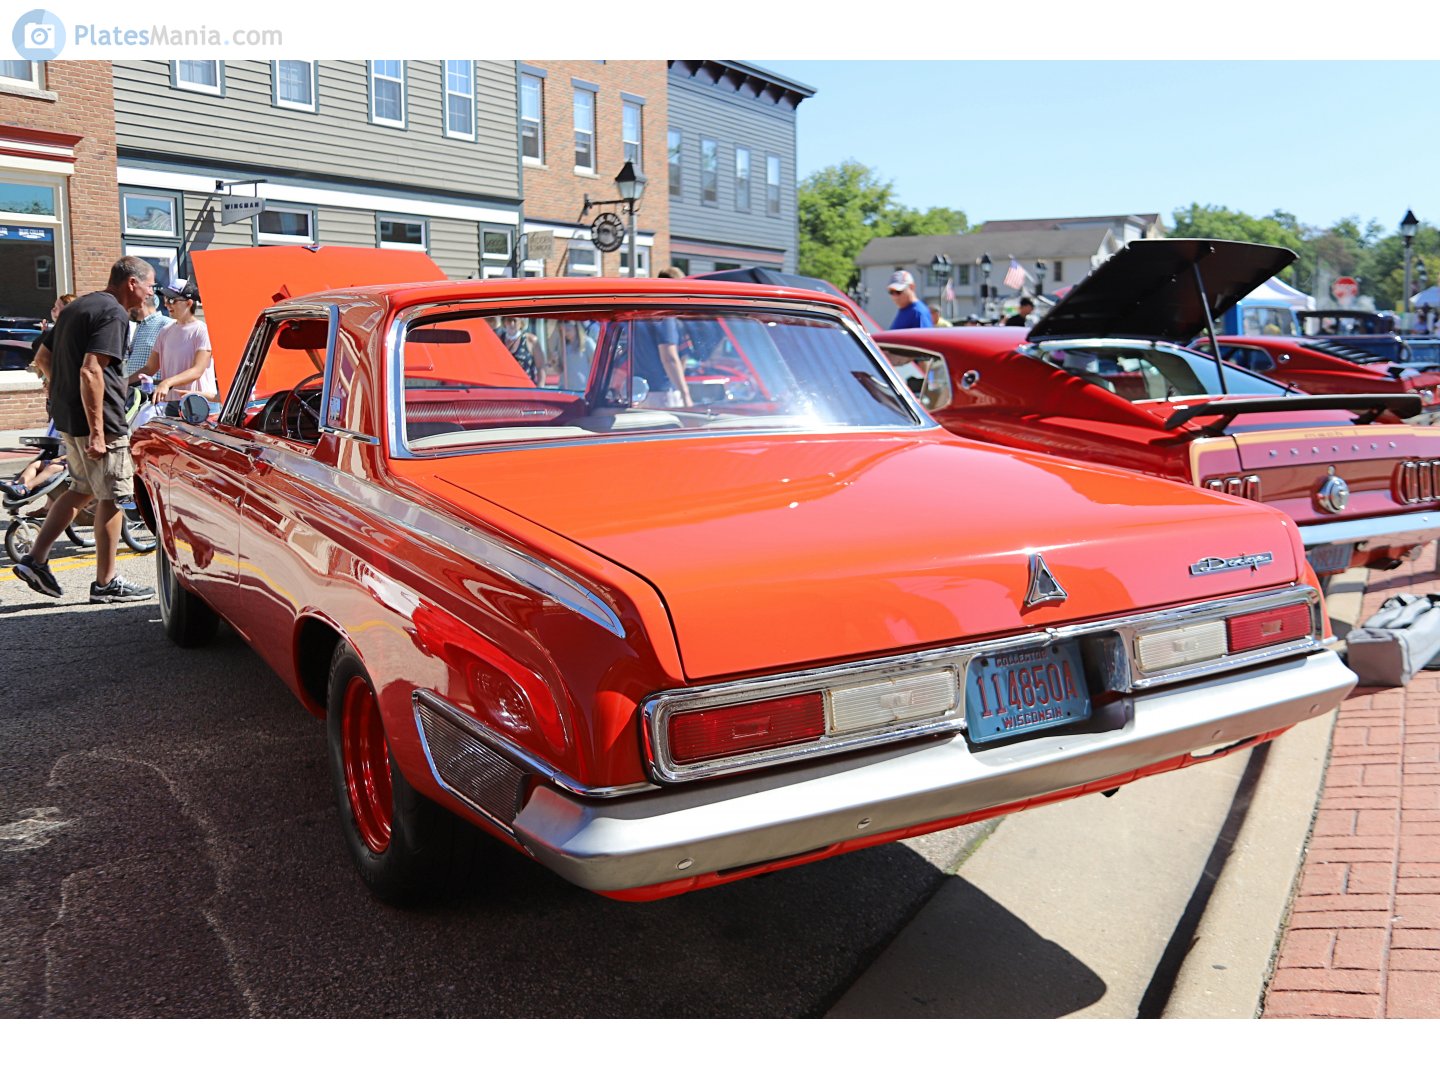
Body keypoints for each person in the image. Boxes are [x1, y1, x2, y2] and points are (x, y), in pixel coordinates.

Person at [12, 255, 157, 603]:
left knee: (80, 489)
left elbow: (43, 359)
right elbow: (92, 370)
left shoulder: (79, 306)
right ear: (132, 283)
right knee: (113, 496)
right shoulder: (113, 313)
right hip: (101, 423)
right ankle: (106, 583)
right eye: (150, 286)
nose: (151, 294)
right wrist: (97, 431)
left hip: (68, 418)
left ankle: (35, 559)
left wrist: (61, 396)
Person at [141, 279, 217, 405]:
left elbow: (197, 370)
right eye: (165, 299)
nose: (166, 304)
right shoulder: (165, 331)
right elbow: (150, 368)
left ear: (189, 303)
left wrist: (167, 382)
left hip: (200, 403)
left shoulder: (202, 331)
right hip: (172, 402)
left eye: (172, 300)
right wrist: (122, 383)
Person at [124, 289, 173, 380]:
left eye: (128, 304)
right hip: (135, 391)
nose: (126, 308)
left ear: (141, 302)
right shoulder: (140, 326)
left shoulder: (168, 324)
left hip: (154, 391)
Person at [547, 319, 596, 391]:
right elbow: (560, 371)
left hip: (582, 389)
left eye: (567, 330)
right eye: (561, 331)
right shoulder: (563, 346)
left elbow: (596, 367)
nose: (565, 333)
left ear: (576, 327)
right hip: (565, 389)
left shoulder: (587, 343)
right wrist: (555, 363)